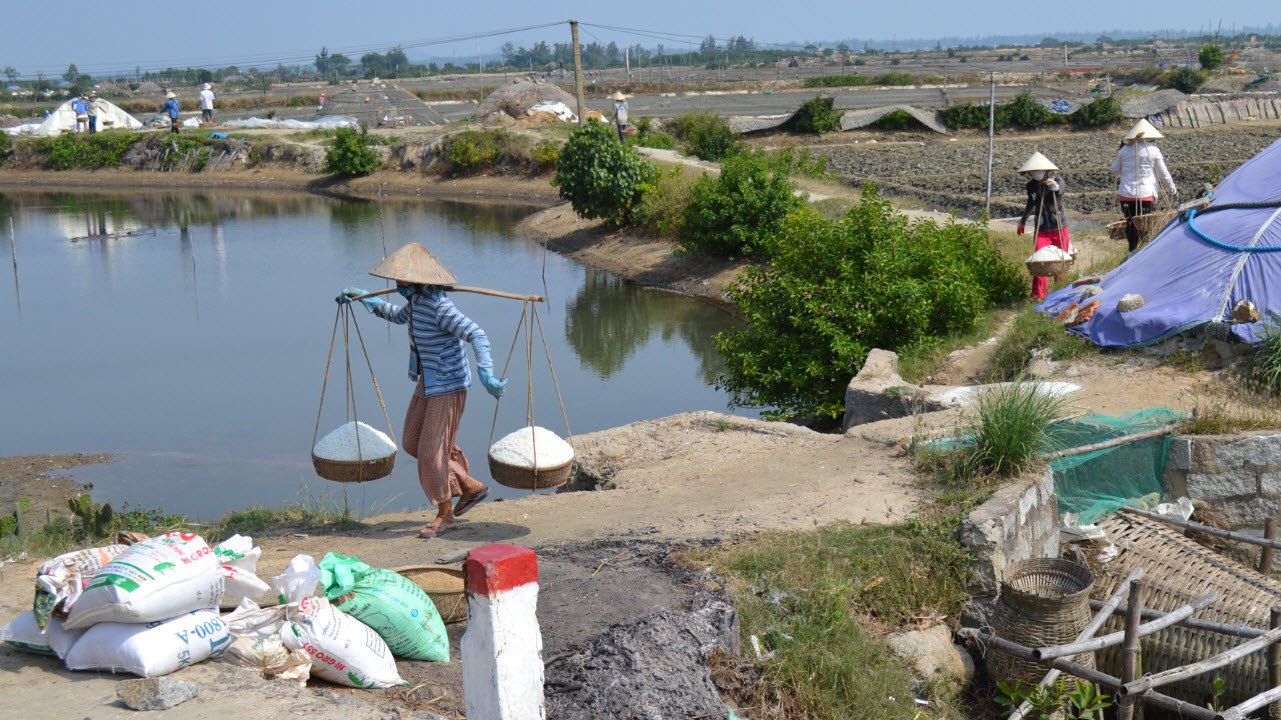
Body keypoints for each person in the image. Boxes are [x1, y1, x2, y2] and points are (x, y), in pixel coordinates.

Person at [339, 243, 507, 539]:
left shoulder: (439, 306)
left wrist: (486, 371)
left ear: (418, 281)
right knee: (411, 442)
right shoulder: (417, 301)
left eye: (402, 281)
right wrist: (367, 300)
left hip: (449, 385)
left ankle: (446, 515)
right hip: (428, 381)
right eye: (397, 282)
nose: (398, 286)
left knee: (432, 452)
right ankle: (469, 487)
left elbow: (476, 333)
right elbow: (400, 317)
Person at [1110, 118, 1177, 252]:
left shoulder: (1124, 151)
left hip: (1126, 194)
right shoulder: (1153, 151)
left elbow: (1115, 169)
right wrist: (1172, 190)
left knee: (1130, 224)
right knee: (1144, 225)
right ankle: (1144, 251)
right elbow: (1163, 174)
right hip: (1145, 194)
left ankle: (1132, 250)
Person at [1017, 152, 1071, 301]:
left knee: (1061, 260)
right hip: (1041, 229)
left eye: (1033, 171)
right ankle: (1038, 295)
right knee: (1039, 261)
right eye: (1030, 172)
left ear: (1044, 170)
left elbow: (1061, 191)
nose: (1031, 174)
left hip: (1059, 226)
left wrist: (1055, 188)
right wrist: (1023, 221)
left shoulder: (1057, 180)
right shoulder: (1031, 186)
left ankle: (1061, 291)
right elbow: (1031, 203)